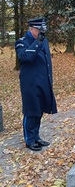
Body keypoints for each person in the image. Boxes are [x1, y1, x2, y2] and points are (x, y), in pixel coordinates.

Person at [15, 17, 57, 151]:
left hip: (43, 81)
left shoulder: (43, 41)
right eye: (39, 30)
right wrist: (38, 42)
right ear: (32, 29)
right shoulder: (22, 42)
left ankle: (36, 136)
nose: (41, 33)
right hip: (30, 84)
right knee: (31, 111)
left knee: (39, 111)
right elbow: (26, 57)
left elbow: (47, 61)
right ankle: (29, 140)